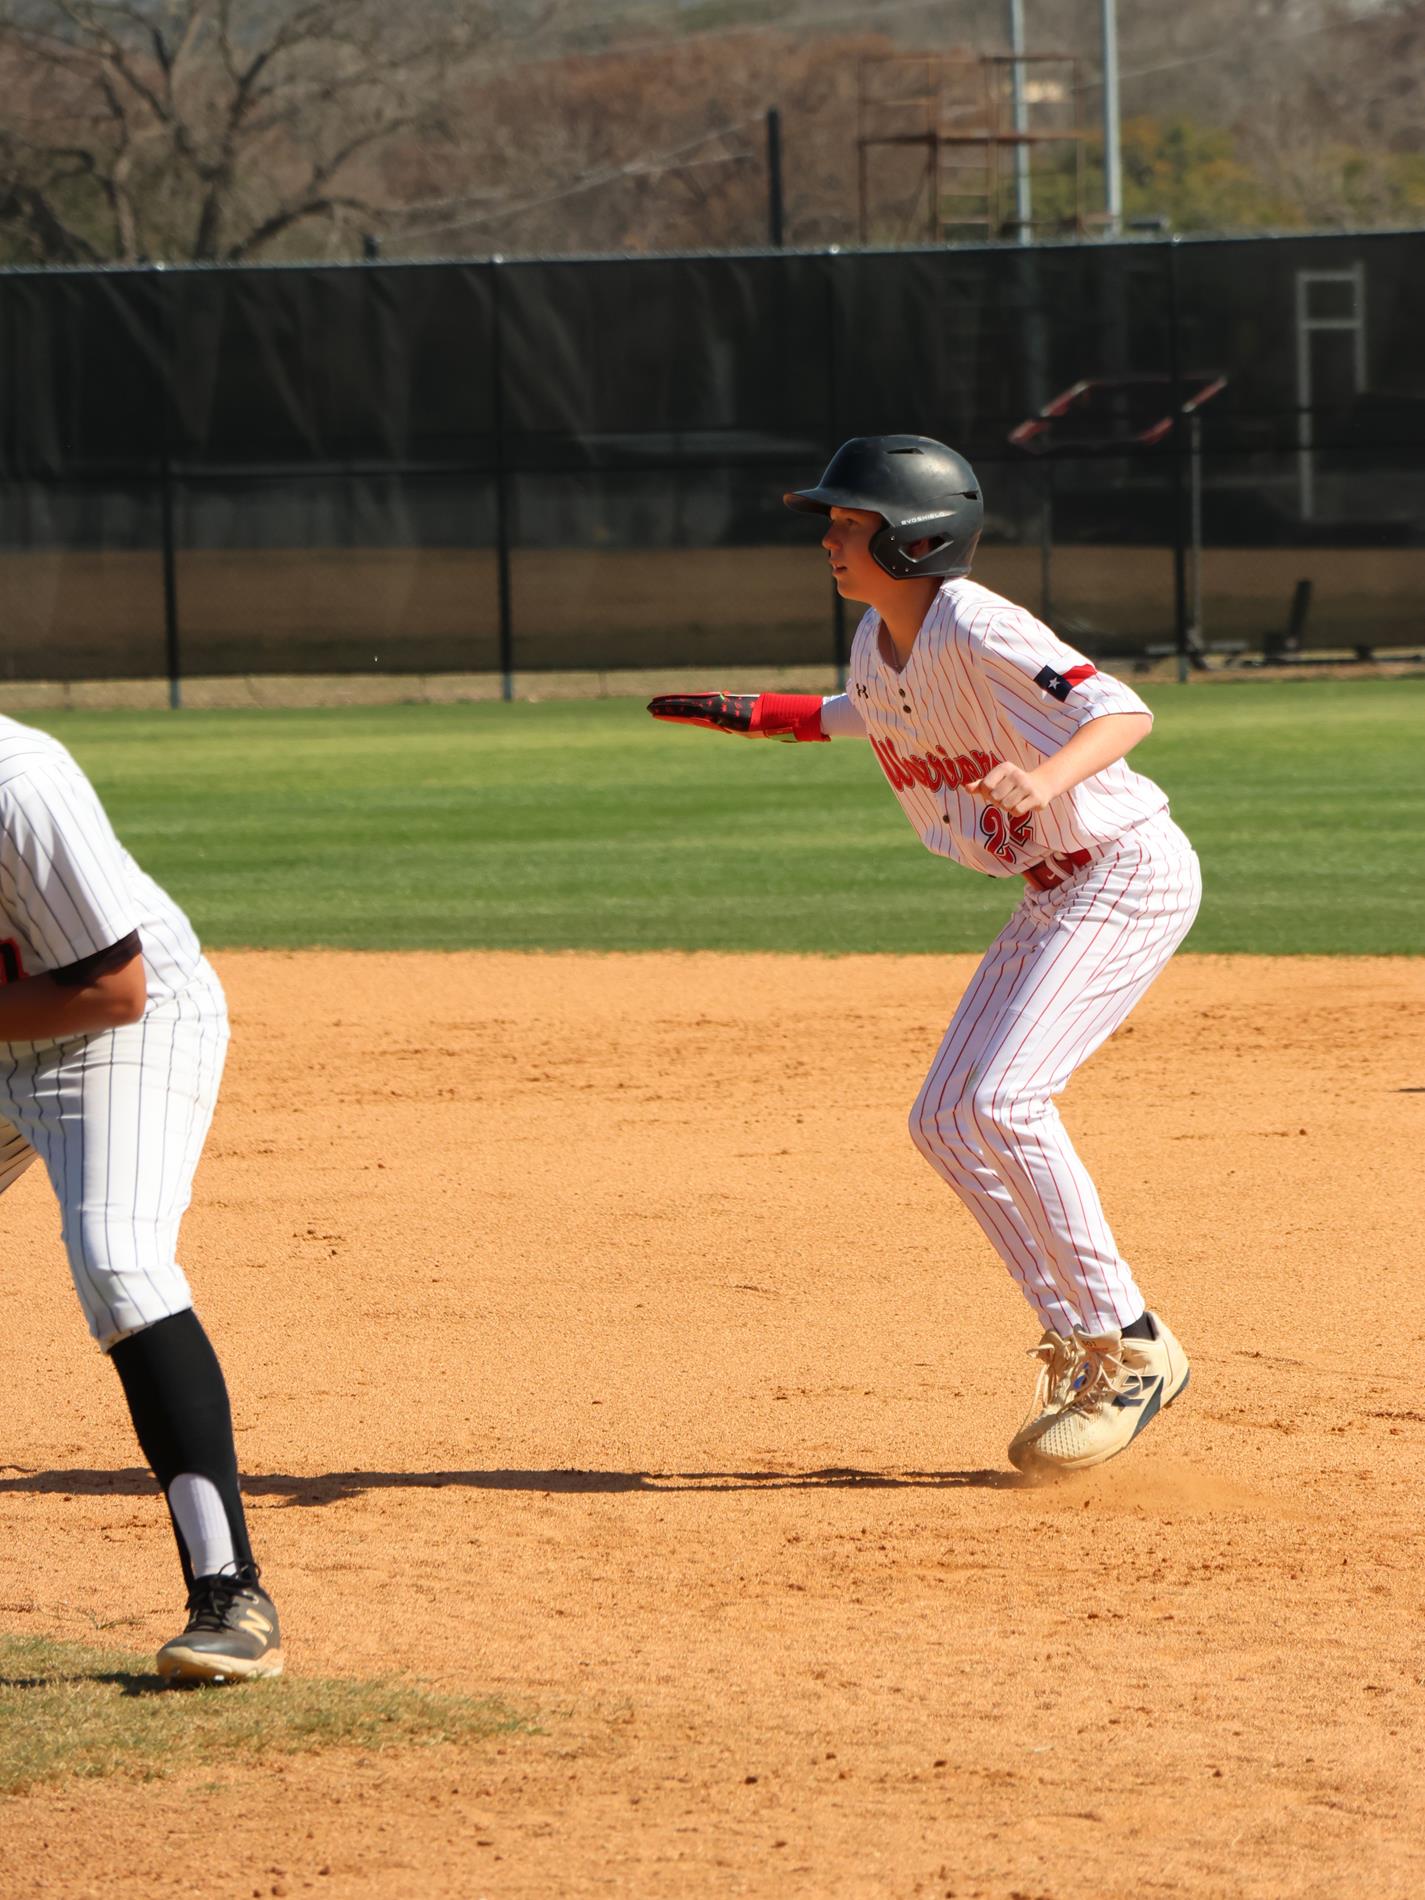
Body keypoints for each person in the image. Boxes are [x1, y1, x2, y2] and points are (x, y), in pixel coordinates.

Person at [649, 435, 1202, 1478]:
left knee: (1003, 1102)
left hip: (1121, 870)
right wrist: (774, 717)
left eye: (848, 523)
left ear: (914, 540)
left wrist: (1044, 782)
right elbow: (882, 710)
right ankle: (1083, 1343)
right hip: (1056, 889)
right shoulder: (878, 640)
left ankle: (1132, 1344)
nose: (829, 537)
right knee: (945, 1119)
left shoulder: (982, 620)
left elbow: (1120, 708)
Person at [0, 712, 281, 1678]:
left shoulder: (20, 784)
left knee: (118, 1262)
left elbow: (113, 989)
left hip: (121, 1032)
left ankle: (230, 1594)